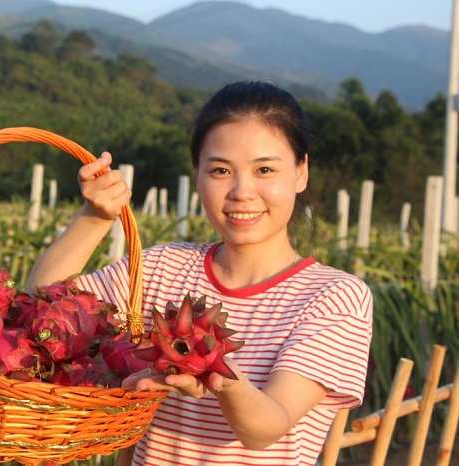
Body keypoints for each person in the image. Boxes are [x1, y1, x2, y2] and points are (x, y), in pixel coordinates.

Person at [26, 81, 373, 466]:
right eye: (221, 170)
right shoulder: (162, 268)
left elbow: (265, 428)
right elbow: (41, 311)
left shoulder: (334, 296)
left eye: (265, 169)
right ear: (198, 175)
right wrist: (95, 218)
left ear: (301, 172)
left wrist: (214, 370)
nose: (242, 191)